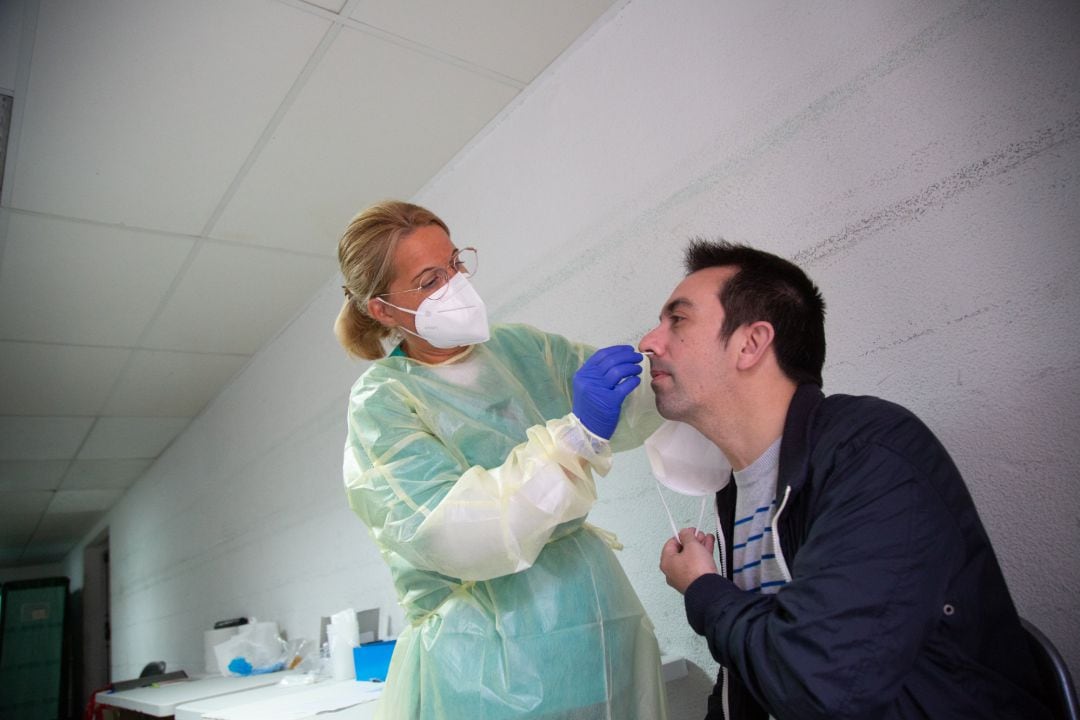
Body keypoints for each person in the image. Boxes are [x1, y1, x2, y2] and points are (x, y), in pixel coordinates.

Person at [643, 239, 1052, 720]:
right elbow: (750, 674)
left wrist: (703, 588)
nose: (649, 342)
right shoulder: (740, 489)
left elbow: (820, 685)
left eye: (678, 320)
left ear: (750, 344)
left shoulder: (872, 453)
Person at [334, 200, 668, 720]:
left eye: (456, 265)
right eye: (428, 281)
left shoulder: (521, 350)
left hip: (597, 621)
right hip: (487, 665)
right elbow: (454, 534)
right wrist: (576, 438)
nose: (455, 286)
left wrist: (674, 370)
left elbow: (629, 406)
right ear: (381, 309)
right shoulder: (383, 402)